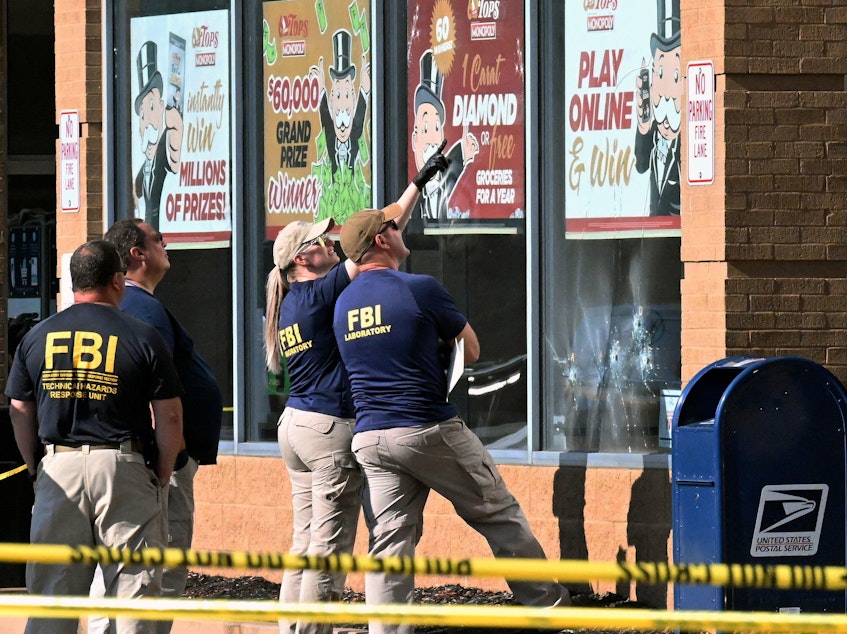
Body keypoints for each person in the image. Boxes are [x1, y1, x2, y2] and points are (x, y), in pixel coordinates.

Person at [332, 210, 571, 634]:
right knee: (498, 512)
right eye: (392, 227)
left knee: (389, 545)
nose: (399, 230)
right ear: (381, 242)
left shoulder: (343, 303)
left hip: (370, 437)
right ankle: (550, 610)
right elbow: (472, 350)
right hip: (426, 427)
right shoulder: (419, 289)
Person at [265, 145, 449, 634]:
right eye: (322, 240)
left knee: (304, 543)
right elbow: (370, 246)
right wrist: (415, 187)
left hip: (297, 427)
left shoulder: (290, 303)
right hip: (328, 430)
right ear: (305, 256)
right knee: (329, 547)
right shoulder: (321, 291)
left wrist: (416, 186)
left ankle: (293, 629)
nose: (332, 242)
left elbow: (378, 234)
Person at [5, 240, 183, 634]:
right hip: (124, 467)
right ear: (118, 281)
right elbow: (169, 414)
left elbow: (19, 410)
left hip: (58, 467)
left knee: (53, 597)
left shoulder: (36, 337)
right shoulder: (142, 335)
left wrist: (37, 466)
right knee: (133, 591)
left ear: (73, 285)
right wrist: (163, 472)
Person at [86, 218, 224, 634]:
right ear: (137, 255)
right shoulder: (141, 309)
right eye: (158, 240)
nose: (167, 247)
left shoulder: (130, 307)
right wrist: (168, 462)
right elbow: (154, 395)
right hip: (161, 464)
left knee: (120, 570)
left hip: (145, 459)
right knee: (158, 566)